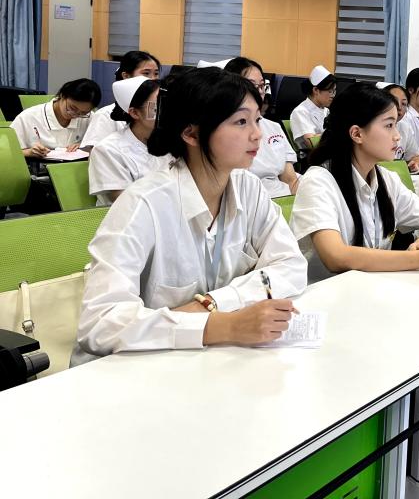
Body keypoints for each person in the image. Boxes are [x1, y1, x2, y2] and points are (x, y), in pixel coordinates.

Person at [72, 67, 307, 365]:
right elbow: (100, 323)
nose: (257, 134)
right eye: (241, 121)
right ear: (191, 133)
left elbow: (292, 265)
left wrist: (214, 303)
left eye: (257, 120)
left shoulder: (248, 188)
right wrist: (224, 325)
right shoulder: (144, 203)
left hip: (201, 361)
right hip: (128, 371)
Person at [290, 83, 419, 284]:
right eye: (389, 125)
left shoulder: (387, 180)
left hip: (372, 288)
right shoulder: (318, 182)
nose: (397, 136)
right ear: (357, 134)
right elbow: (336, 257)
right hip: (328, 293)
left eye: (396, 125)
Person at [88, 76, 170, 206]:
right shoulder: (108, 150)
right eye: (157, 108)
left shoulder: (171, 143)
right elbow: (126, 203)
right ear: (135, 113)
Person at [224, 57, 300, 198]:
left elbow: (290, 179)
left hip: (282, 198)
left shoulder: (273, 127)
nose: (260, 91)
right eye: (252, 85)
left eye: (262, 86)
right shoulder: (225, 130)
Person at [81, 51, 161, 150]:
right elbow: (93, 151)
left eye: (156, 73)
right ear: (126, 76)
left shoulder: (160, 111)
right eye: (146, 73)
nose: (153, 79)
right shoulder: (105, 115)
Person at [12, 78, 101, 158]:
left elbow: (102, 144)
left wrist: (84, 146)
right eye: (72, 108)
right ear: (62, 95)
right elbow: (8, 152)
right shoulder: (28, 117)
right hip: (39, 169)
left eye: (83, 113)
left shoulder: (90, 118)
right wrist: (29, 152)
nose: (75, 115)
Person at [290, 65, 335, 150]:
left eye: (334, 91)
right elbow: (312, 142)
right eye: (330, 91)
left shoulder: (326, 111)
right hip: (311, 156)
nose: (333, 95)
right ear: (316, 90)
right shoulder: (301, 111)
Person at [385, 83, 419, 173]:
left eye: (404, 104)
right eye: (395, 101)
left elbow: (417, 156)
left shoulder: (404, 128)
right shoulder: (373, 127)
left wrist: (415, 163)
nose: (399, 107)